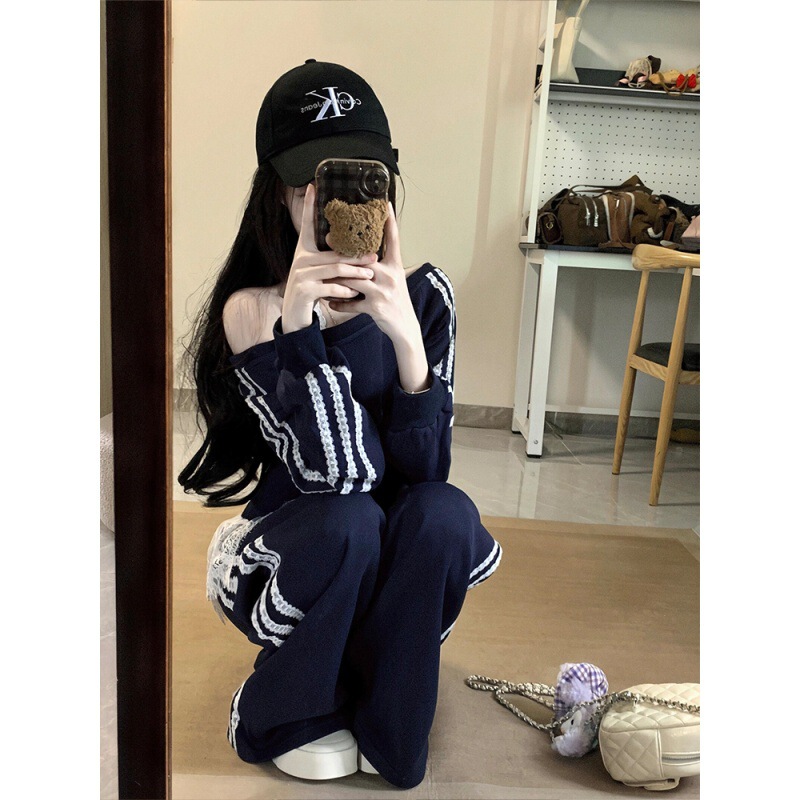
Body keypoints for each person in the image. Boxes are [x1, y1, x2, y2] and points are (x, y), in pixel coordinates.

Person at [178, 58, 503, 790]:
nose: (336, 207)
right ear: (281, 195)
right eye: (312, 186)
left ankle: (387, 708)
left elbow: (424, 476)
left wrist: (407, 341)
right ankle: (281, 712)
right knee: (353, 519)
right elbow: (341, 476)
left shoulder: (425, 300)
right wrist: (301, 329)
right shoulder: (254, 311)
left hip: (384, 548)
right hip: (303, 545)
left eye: (360, 184)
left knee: (444, 513)